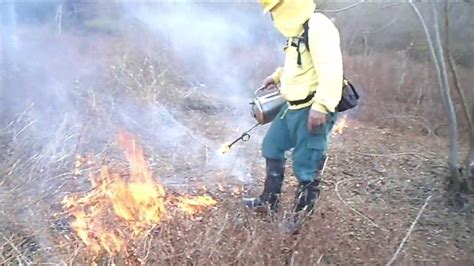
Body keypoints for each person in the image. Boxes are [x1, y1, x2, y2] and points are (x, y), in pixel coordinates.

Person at [243, 0, 343, 218]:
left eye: (276, 9)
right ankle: (269, 203)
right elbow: (297, 63)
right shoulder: (299, 29)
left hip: (311, 108)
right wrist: (277, 76)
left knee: (306, 165)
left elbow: (331, 70)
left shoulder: (319, 27)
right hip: (291, 107)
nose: (275, 16)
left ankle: (300, 219)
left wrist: (322, 106)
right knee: (272, 146)